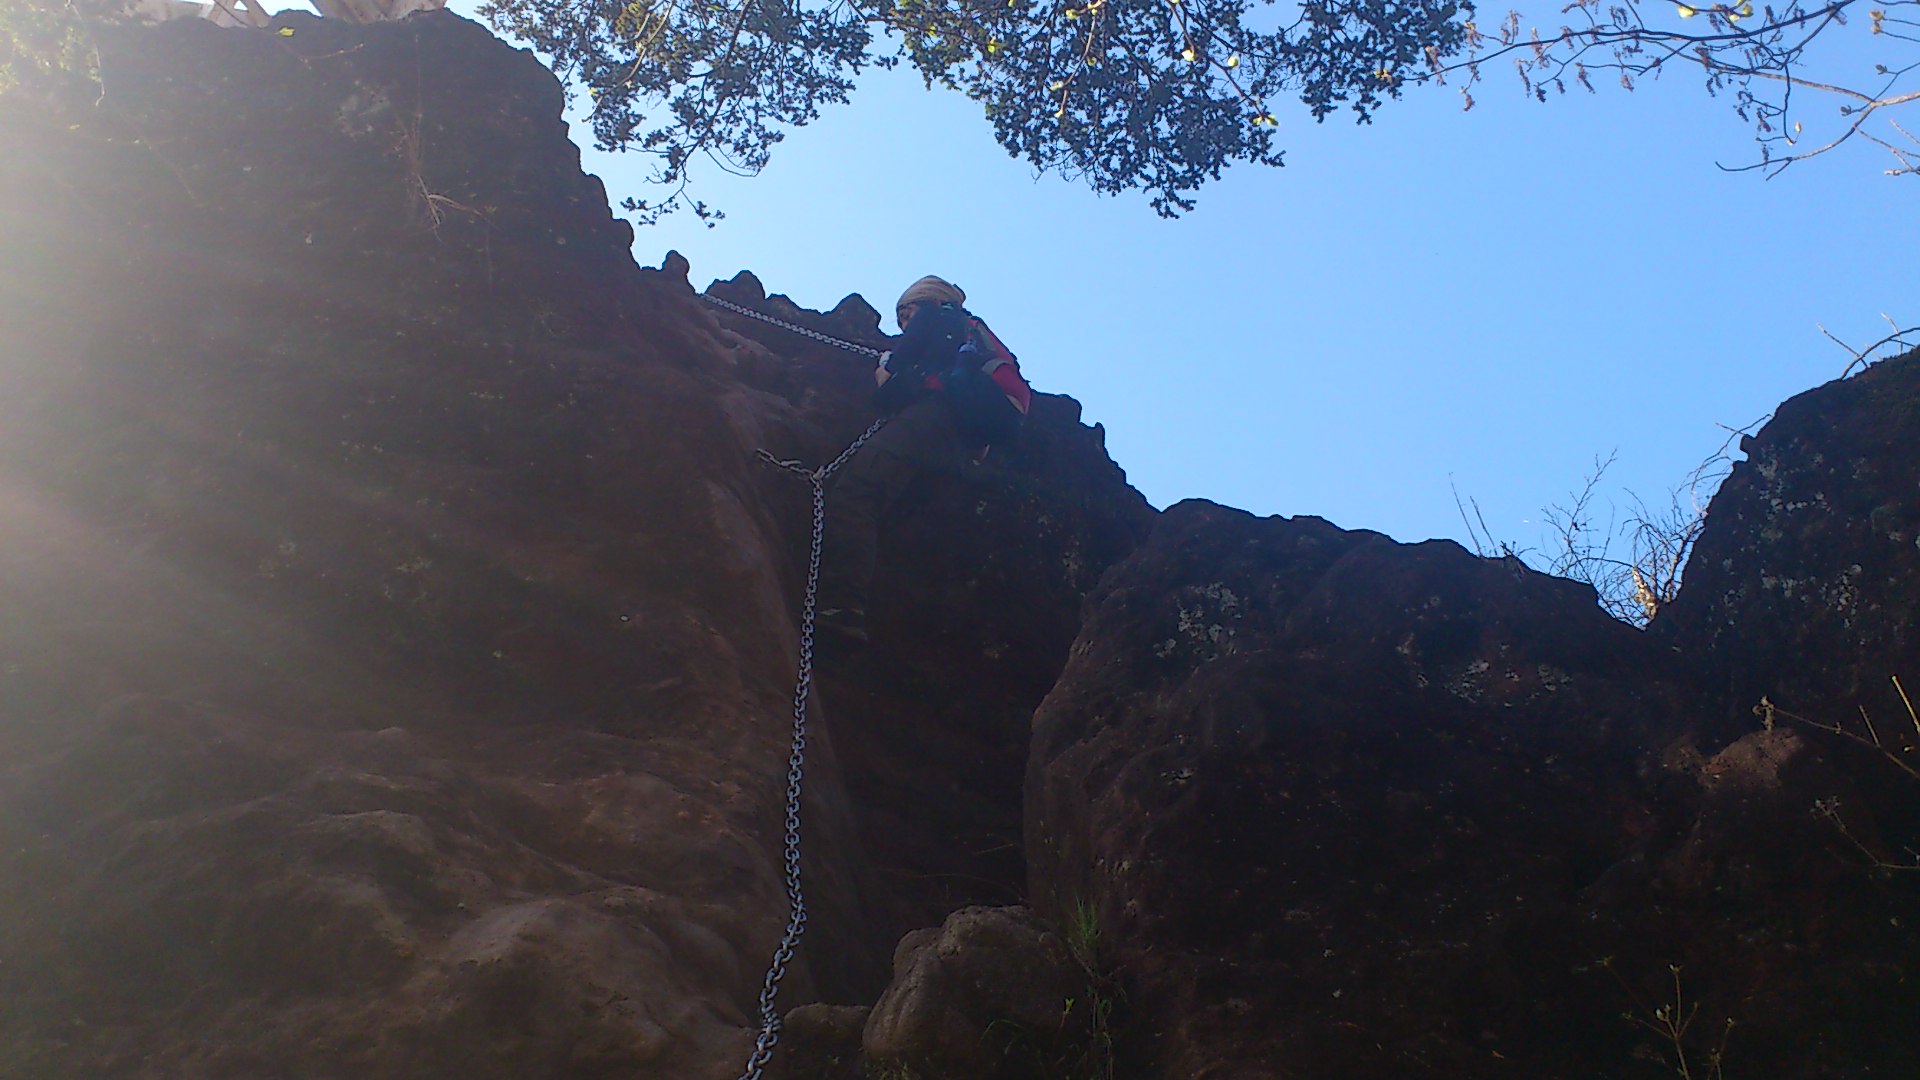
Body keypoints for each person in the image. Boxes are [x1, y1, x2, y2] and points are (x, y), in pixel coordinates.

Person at [815, 275, 1033, 646]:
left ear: (919, 303)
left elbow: (897, 377)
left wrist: (886, 369)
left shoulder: (934, 316)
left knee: (857, 493)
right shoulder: (973, 335)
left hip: (930, 422)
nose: (903, 324)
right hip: (960, 445)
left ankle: (842, 606)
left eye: (904, 314)